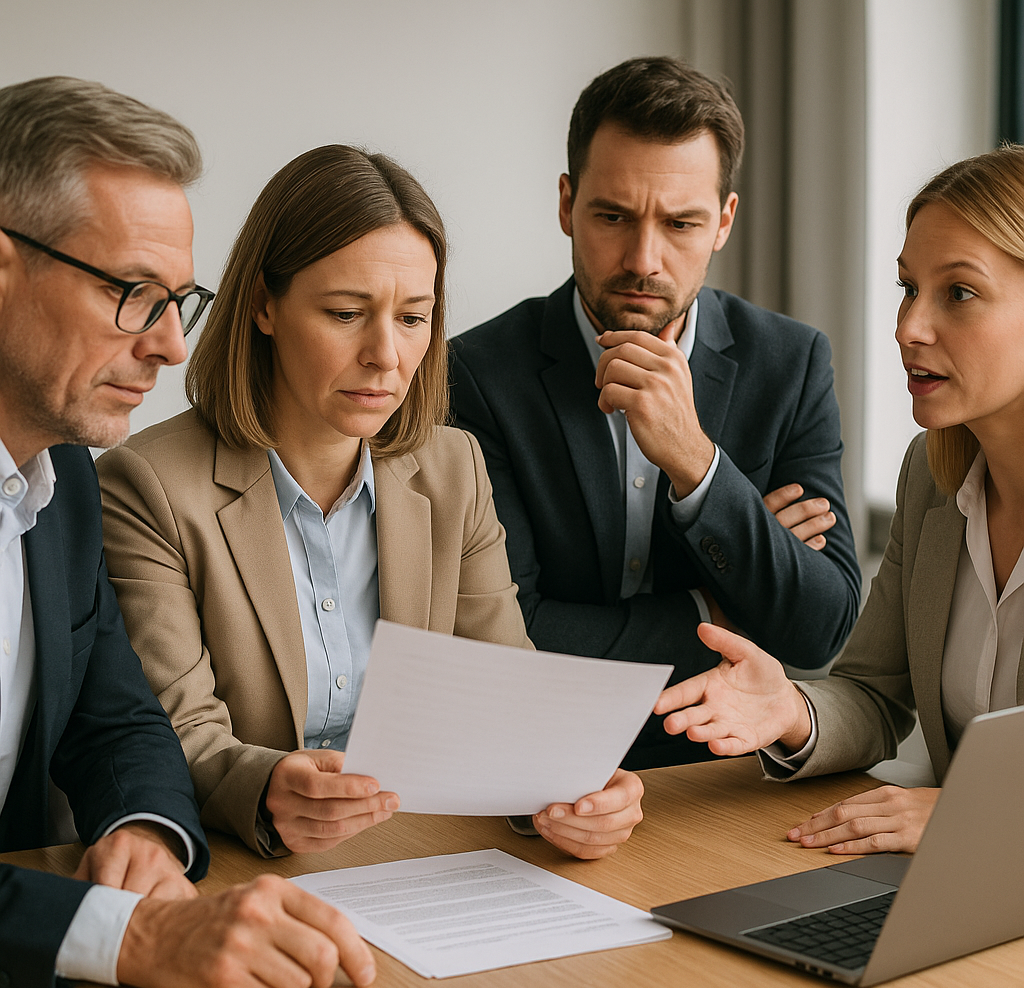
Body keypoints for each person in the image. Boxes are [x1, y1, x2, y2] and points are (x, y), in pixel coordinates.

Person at [97, 144, 643, 865]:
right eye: (348, 312)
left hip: (425, 862)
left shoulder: (454, 468)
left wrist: (577, 788)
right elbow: (176, 736)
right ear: (264, 303)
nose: (386, 355)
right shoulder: (146, 484)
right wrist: (265, 786)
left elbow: (506, 701)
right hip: (247, 871)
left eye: (414, 318)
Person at [0, 77, 374, 988]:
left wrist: (146, 830)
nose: (171, 346)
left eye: (179, 299)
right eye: (132, 292)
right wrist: (134, 936)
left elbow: (116, 719)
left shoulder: (64, 478)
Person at [450, 56, 861, 770]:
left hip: (726, 783)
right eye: (613, 216)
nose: (644, 258)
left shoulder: (790, 364)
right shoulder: (476, 374)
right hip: (532, 772)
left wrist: (698, 465)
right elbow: (506, 634)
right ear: (565, 204)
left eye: (680, 223)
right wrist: (715, 612)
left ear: (723, 222)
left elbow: (819, 627)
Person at [654, 145, 1024, 855]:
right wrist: (788, 707)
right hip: (962, 890)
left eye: (959, 292)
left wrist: (972, 820)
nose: (909, 327)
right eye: (907, 288)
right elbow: (875, 694)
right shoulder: (932, 477)